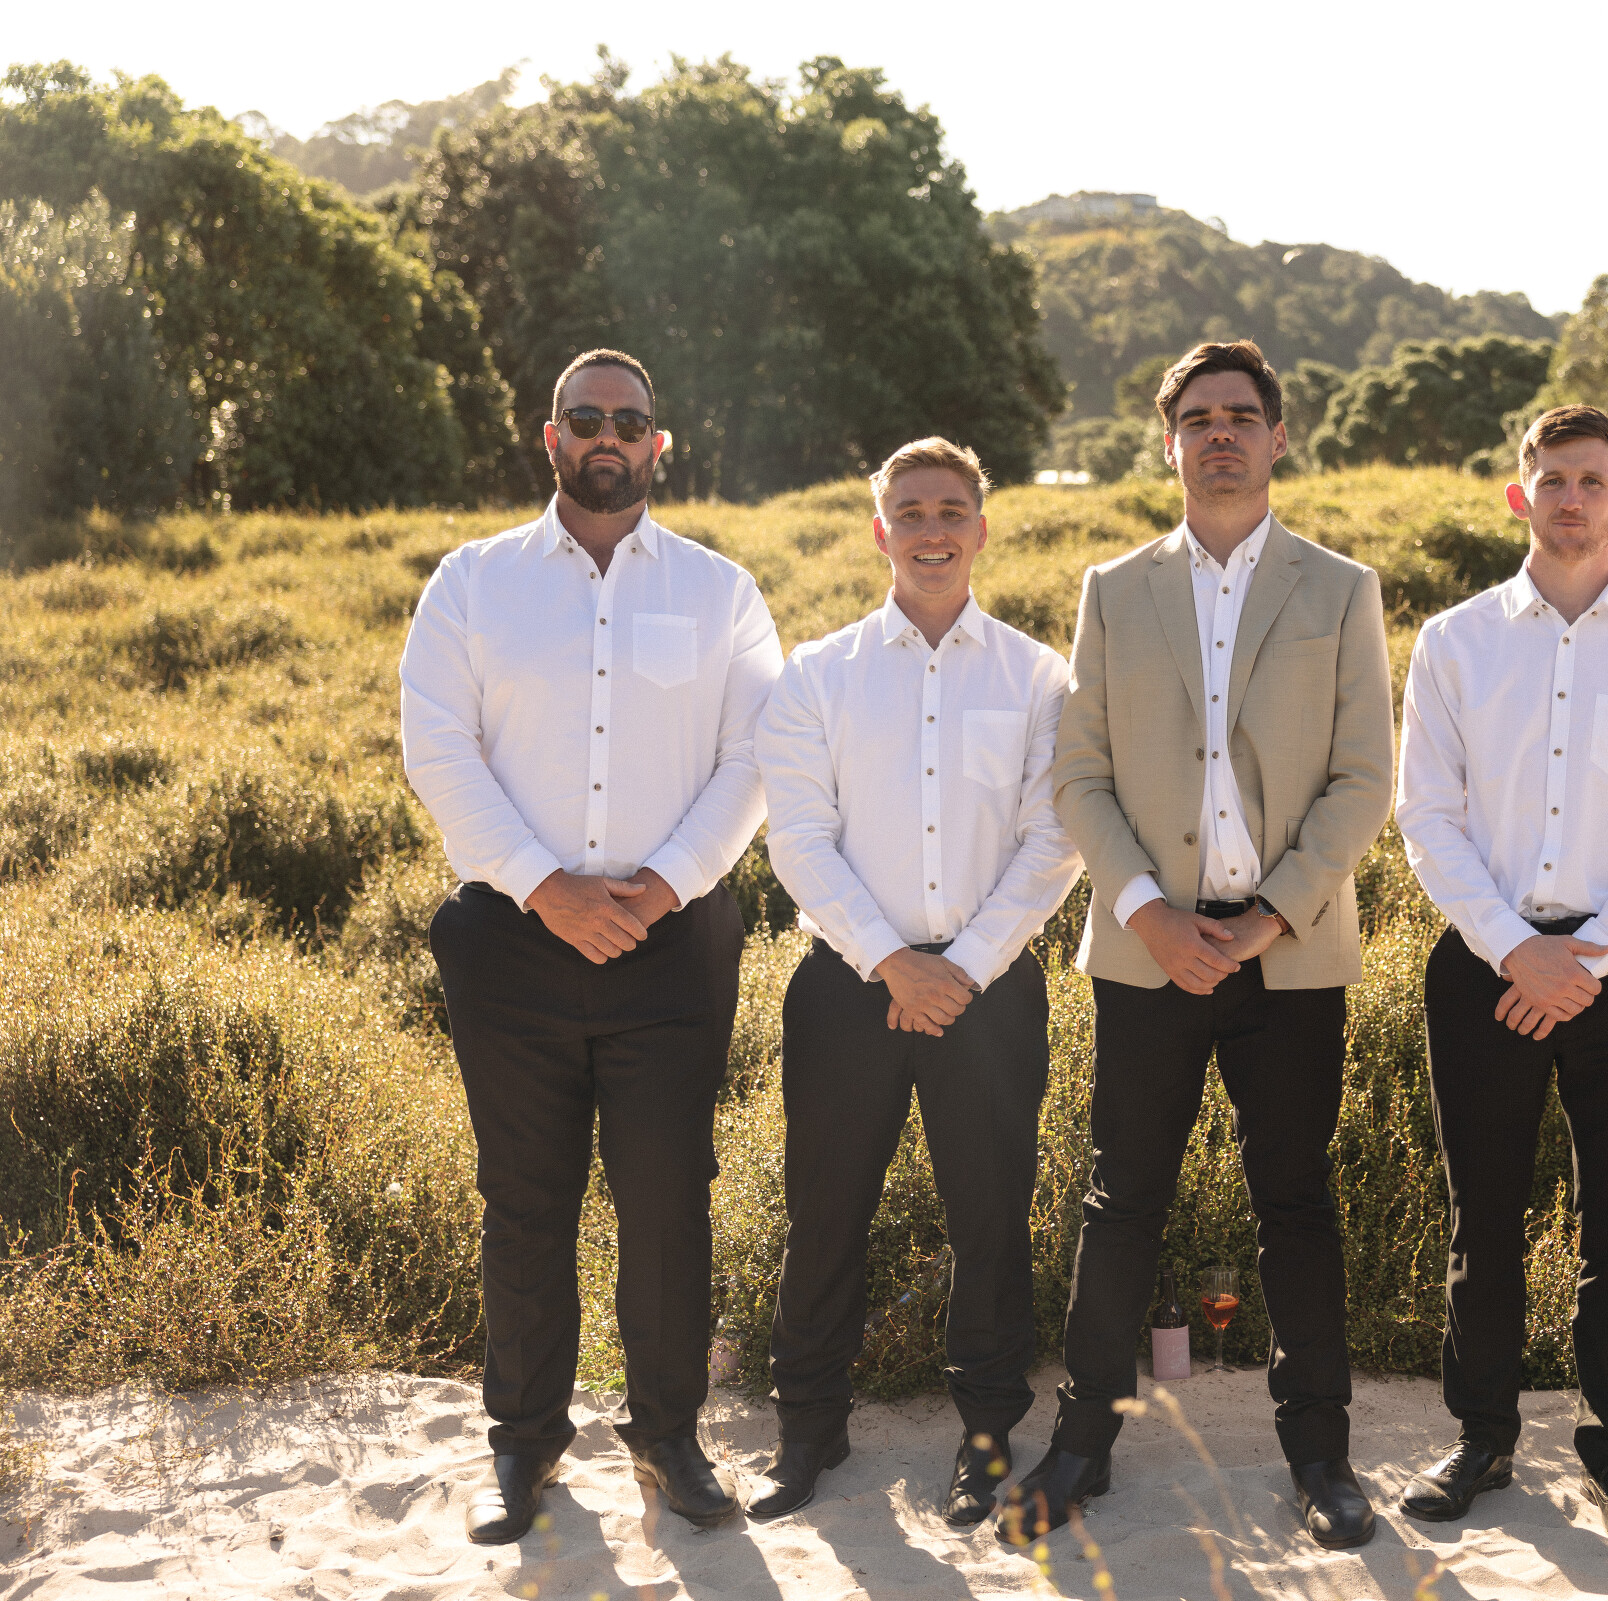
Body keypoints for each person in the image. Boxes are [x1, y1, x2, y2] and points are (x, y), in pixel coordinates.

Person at [1004, 339, 1396, 1551]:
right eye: (1198, 417)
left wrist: (1268, 915)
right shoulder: (1112, 589)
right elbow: (1080, 772)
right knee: (1121, 1197)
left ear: (1278, 436)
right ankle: (1081, 1444)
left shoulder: (1343, 588)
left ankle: (1320, 1454)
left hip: (1291, 953)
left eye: (1241, 414)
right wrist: (1148, 911)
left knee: (1298, 1201)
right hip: (1149, 952)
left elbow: (1363, 779)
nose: (1220, 432)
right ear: (1168, 441)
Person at [400, 349, 783, 1543]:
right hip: (510, 940)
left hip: (674, 941)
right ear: (551, 436)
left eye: (628, 419)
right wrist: (544, 886)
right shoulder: (472, 582)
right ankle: (523, 1441)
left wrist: (660, 888)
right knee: (524, 1196)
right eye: (586, 417)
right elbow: (437, 746)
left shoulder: (722, 591)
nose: (607, 435)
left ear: (658, 442)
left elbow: (757, 757)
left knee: (669, 1197)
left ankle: (669, 1433)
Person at [1393, 406, 1608, 1545]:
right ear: (1518, 494)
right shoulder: (1454, 642)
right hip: (1485, 961)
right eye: (1552, 479)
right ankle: (1482, 1437)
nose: (1572, 498)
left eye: (1592, 481)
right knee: (1481, 1213)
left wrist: (1590, 959)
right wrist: (1514, 948)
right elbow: (1427, 815)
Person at [749, 438, 1081, 1526]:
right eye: (910, 511)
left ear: (982, 528)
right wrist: (892, 962)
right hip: (849, 983)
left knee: (991, 1217)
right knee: (824, 1209)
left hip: (991, 987)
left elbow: (1054, 838)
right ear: (878, 530)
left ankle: (985, 1434)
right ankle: (810, 1426)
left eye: (950, 510)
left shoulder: (1037, 676)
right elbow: (798, 836)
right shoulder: (818, 673)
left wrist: (963, 967)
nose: (931, 530)